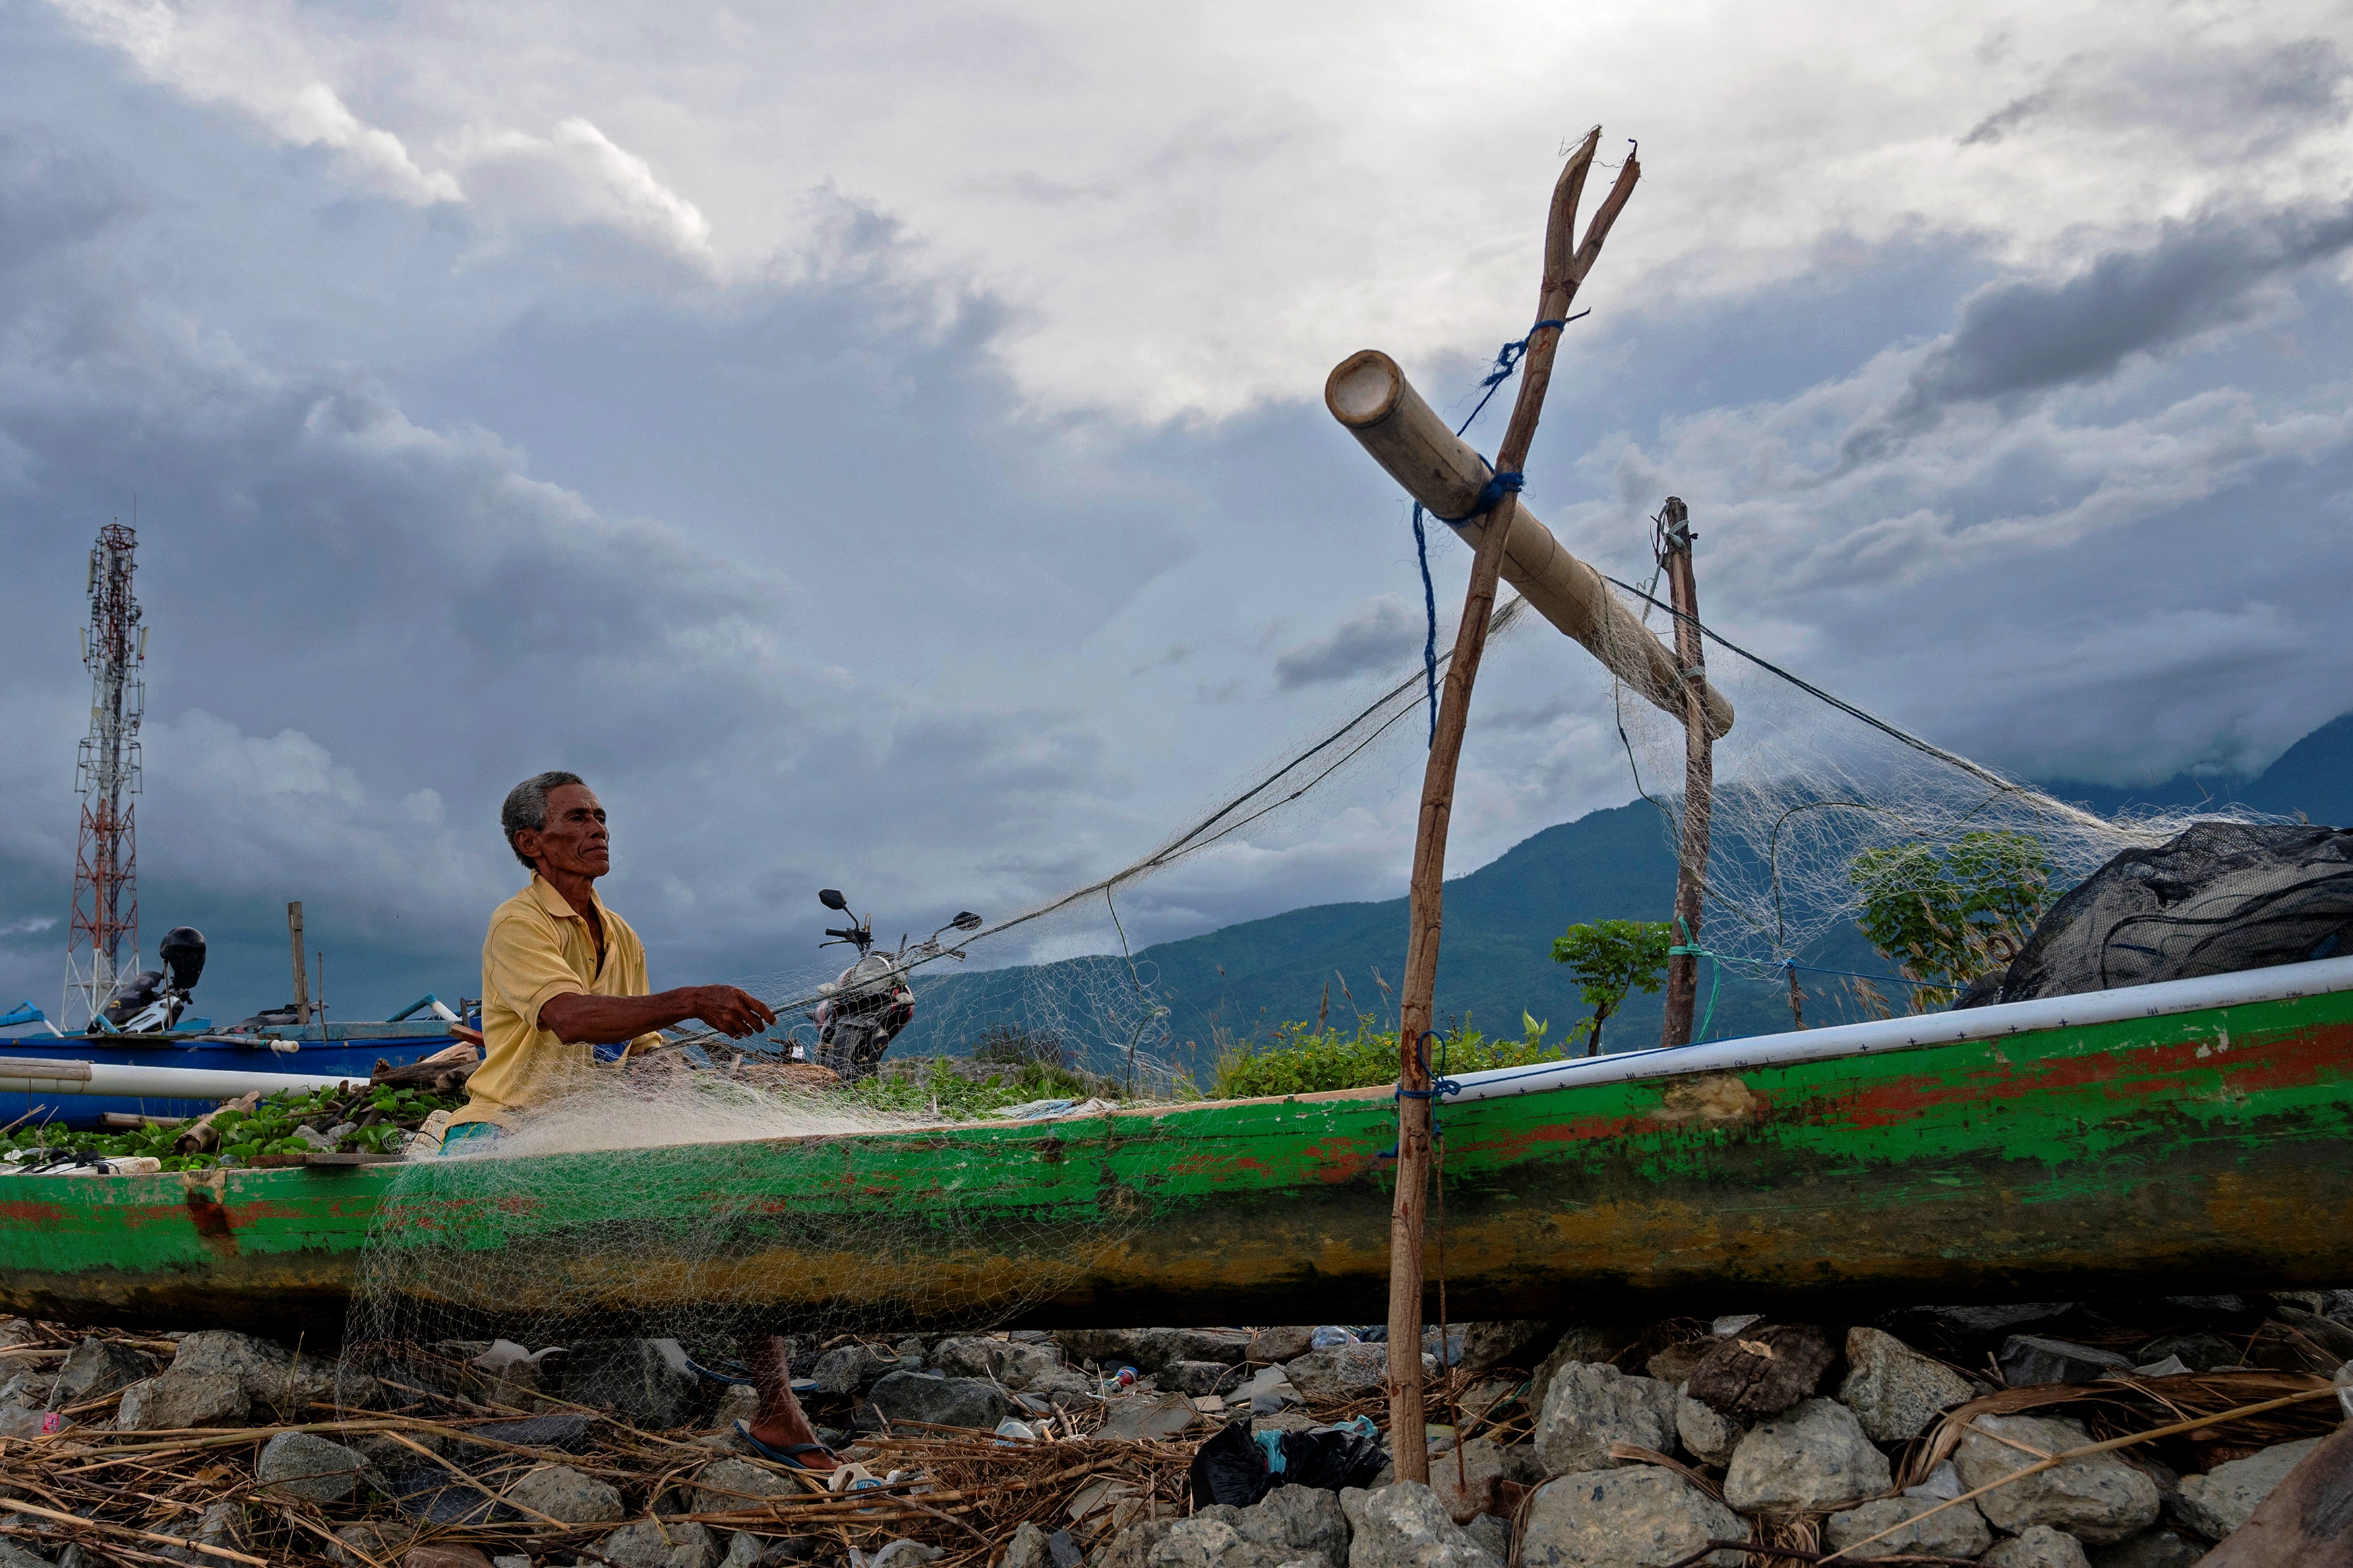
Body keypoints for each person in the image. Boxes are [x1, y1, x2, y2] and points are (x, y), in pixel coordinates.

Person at [446, 769, 837, 1470]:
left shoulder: (620, 935)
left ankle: (779, 1412)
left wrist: (675, 1096)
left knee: (731, 1201)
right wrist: (691, 998)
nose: (599, 828)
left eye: (601, 815)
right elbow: (569, 1018)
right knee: (460, 1249)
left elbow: (644, 1053)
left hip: (590, 1130)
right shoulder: (518, 922)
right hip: (510, 1122)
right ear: (532, 842)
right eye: (577, 817)